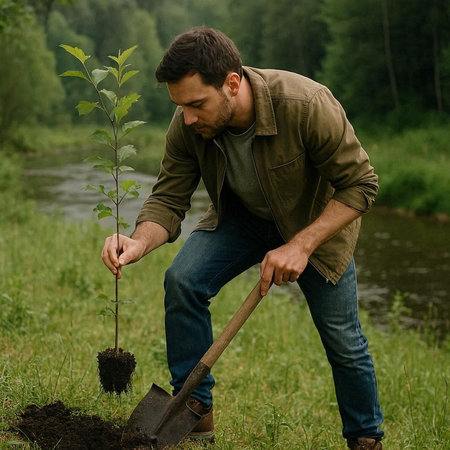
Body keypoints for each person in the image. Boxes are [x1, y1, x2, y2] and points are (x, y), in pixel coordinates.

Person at [101, 26, 384, 449]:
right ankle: (194, 416)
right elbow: (168, 198)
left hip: (314, 228)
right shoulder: (187, 123)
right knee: (183, 280)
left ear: (232, 83)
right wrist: (139, 242)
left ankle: (366, 438)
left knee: (343, 340)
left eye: (197, 104)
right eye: (181, 106)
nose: (188, 117)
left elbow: (361, 186)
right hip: (243, 219)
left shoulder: (306, 104)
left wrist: (300, 245)